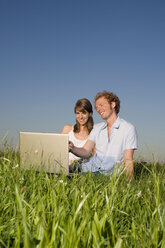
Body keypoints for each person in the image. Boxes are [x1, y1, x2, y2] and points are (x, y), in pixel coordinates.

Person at [69, 91, 138, 178]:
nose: (98, 109)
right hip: (87, 168)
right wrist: (72, 148)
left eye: (101, 105)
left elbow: (128, 160)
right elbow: (86, 151)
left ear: (113, 104)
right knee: (58, 170)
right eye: (97, 107)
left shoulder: (128, 128)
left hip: (107, 175)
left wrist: (129, 184)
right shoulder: (97, 128)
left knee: (76, 179)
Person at [61, 98, 94, 166]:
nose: (80, 117)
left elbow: (95, 159)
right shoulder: (67, 129)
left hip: (81, 170)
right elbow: (57, 150)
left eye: (84, 113)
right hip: (63, 167)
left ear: (90, 114)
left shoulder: (94, 134)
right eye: (78, 113)